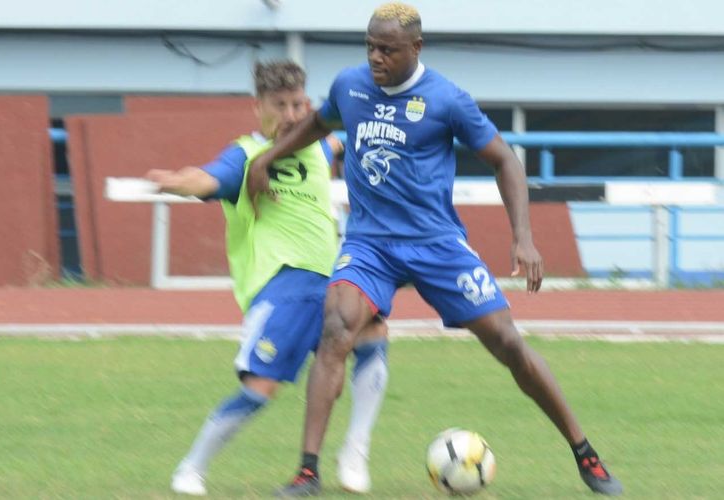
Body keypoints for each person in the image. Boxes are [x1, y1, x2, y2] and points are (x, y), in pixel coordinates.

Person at [247, 4, 623, 497]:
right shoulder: (350, 86)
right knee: (337, 326)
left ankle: (585, 454)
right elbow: (318, 124)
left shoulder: (447, 99)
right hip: (370, 244)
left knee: (508, 343)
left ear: (415, 49)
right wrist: (268, 157)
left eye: (387, 49)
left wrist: (523, 236)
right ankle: (307, 471)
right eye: (370, 47)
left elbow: (504, 160)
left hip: (437, 245)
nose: (376, 57)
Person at [146, 60, 390, 496]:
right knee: (260, 389)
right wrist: (175, 182)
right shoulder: (245, 154)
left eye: (298, 103)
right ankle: (192, 467)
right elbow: (205, 178)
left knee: (375, 334)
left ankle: (355, 447)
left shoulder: (320, 147)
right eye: (279, 105)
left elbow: (354, 138)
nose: (292, 114)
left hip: (334, 277)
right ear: (257, 107)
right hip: (283, 286)